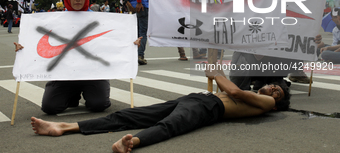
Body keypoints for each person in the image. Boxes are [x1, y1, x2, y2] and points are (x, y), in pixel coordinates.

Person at [30, 68, 290, 152]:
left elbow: (233, 92)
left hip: (209, 107)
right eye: (273, 86)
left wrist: (216, 73)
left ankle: (132, 142)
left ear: (277, 102)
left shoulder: (267, 105)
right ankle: (66, 126)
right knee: (130, 115)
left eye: (277, 92)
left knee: (170, 126)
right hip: (195, 99)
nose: (272, 90)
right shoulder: (257, 95)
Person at [15, 0, 141, 115]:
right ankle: (72, 96)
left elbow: (114, 40)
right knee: (49, 107)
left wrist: (130, 43)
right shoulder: (54, 20)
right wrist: (24, 48)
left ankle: (91, 93)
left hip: (93, 74)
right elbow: (36, 42)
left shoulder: (101, 19)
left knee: (98, 105)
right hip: (63, 74)